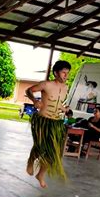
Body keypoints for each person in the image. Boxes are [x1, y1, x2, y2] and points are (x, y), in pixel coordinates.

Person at [25, 60, 71, 188]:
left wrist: (64, 109)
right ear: (56, 73)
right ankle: (31, 161)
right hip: (43, 121)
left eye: (67, 73)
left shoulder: (66, 87)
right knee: (41, 147)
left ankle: (41, 174)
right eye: (63, 73)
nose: (66, 76)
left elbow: (58, 103)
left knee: (52, 153)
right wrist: (35, 100)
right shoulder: (46, 84)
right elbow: (29, 90)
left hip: (55, 122)